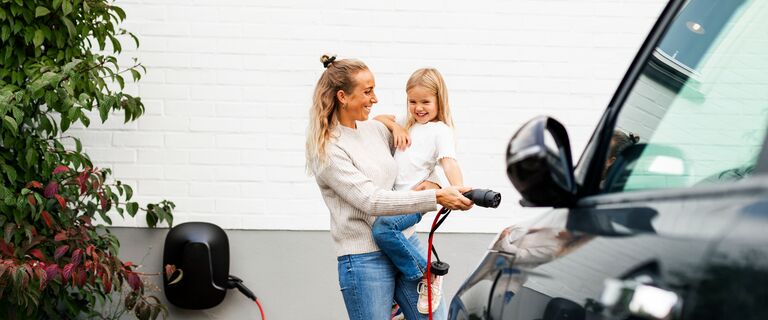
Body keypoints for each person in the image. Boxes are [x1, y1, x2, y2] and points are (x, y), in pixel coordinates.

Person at [306, 54, 473, 320]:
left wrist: (435, 183)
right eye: (368, 92)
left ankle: (420, 279)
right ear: (342, 97)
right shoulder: (328, 149)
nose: (375, 99)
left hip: (404, 242)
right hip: (365, 261)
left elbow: (419, 160)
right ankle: (419, 277)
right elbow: (371, 201)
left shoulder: (374, 130)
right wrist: (435, 196)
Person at [371, 68, 463, 314]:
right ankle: (399, 298)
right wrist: (396, 127)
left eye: (425, 102)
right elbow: (377, 119)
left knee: (383, 229)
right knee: (386, 238)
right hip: (396, 199)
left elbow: (449, 162)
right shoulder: (406, 122)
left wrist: (459, 189)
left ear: (438, 100)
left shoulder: (440, 130)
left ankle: (425, 275)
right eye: (413, 101)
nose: (418, 107)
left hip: (415, 199)